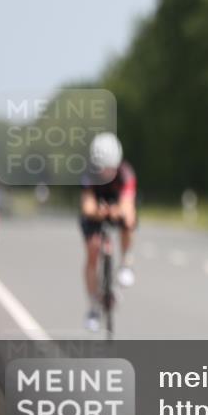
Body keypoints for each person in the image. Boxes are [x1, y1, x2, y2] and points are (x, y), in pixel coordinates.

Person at [80, 132, 138, 331]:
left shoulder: (126, 174)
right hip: (95, 211)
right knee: (93, 251)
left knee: (129, 221)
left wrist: (116, 211)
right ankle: (93, 306)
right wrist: (99, 212)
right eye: (101, 169)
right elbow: (87, 207)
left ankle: (126, 263)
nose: (104, 173)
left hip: (115, 206)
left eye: (109, 169)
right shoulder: (88, 174)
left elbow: (127, 206)